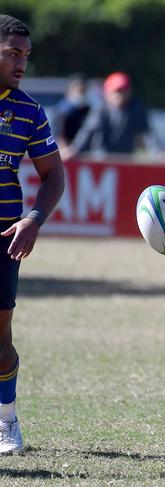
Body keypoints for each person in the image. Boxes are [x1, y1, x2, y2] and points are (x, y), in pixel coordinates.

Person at [0, 15, 65, 454]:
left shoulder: (27, 110)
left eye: (26, 56)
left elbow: (54, 175)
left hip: (2, 237)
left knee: (0, 338)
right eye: (13, 54)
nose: (22, 63)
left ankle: (6, 420)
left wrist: (35, 219)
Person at [62, 71, 154, 160]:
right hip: (102, 159)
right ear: (108, 93)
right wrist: (74, 149)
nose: (120, 95)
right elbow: (88, 131)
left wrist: (157, 153)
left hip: (125, 159)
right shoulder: (100, 109)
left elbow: (147, 134)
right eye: (117, 91)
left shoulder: (136, 109)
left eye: (124, 91)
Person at [52, 75, 91, 149]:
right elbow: (57, 134)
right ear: (70, 89)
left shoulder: (89, 110)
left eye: (82, 90)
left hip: (84, 152)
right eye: (77, 89)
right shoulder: (61, 110)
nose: (79, 90)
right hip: (65, 152)